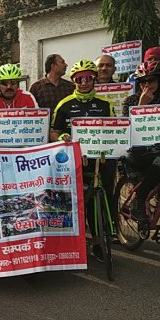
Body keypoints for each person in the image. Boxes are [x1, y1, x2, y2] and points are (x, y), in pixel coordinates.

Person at [51, 59, 114, 262]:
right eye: (79, 79)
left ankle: (97, 242)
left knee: (97, 199)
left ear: (94, 79)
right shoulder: (64, 104)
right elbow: (54, 132)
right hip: (73, 162)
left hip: (98, 160)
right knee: (73, 202)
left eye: (88, 78)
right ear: (74, 80)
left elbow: (115, 130)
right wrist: (61, 138)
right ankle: (71, 242)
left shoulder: (105, 104)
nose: (84, 82)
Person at [121, 60, 160, 227]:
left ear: (159, 81)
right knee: (159, 162)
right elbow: (127, 129)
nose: (147, 85)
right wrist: (142, 105)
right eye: (143, 82)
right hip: (138, 152)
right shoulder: (130, 101)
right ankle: (139, 198)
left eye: (151, 81)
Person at [0, 63, 38, 128]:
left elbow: (36, 124)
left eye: (13, 82)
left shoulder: (28, 97)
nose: (9, 87)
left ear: (18, 84)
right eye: (4, 83)